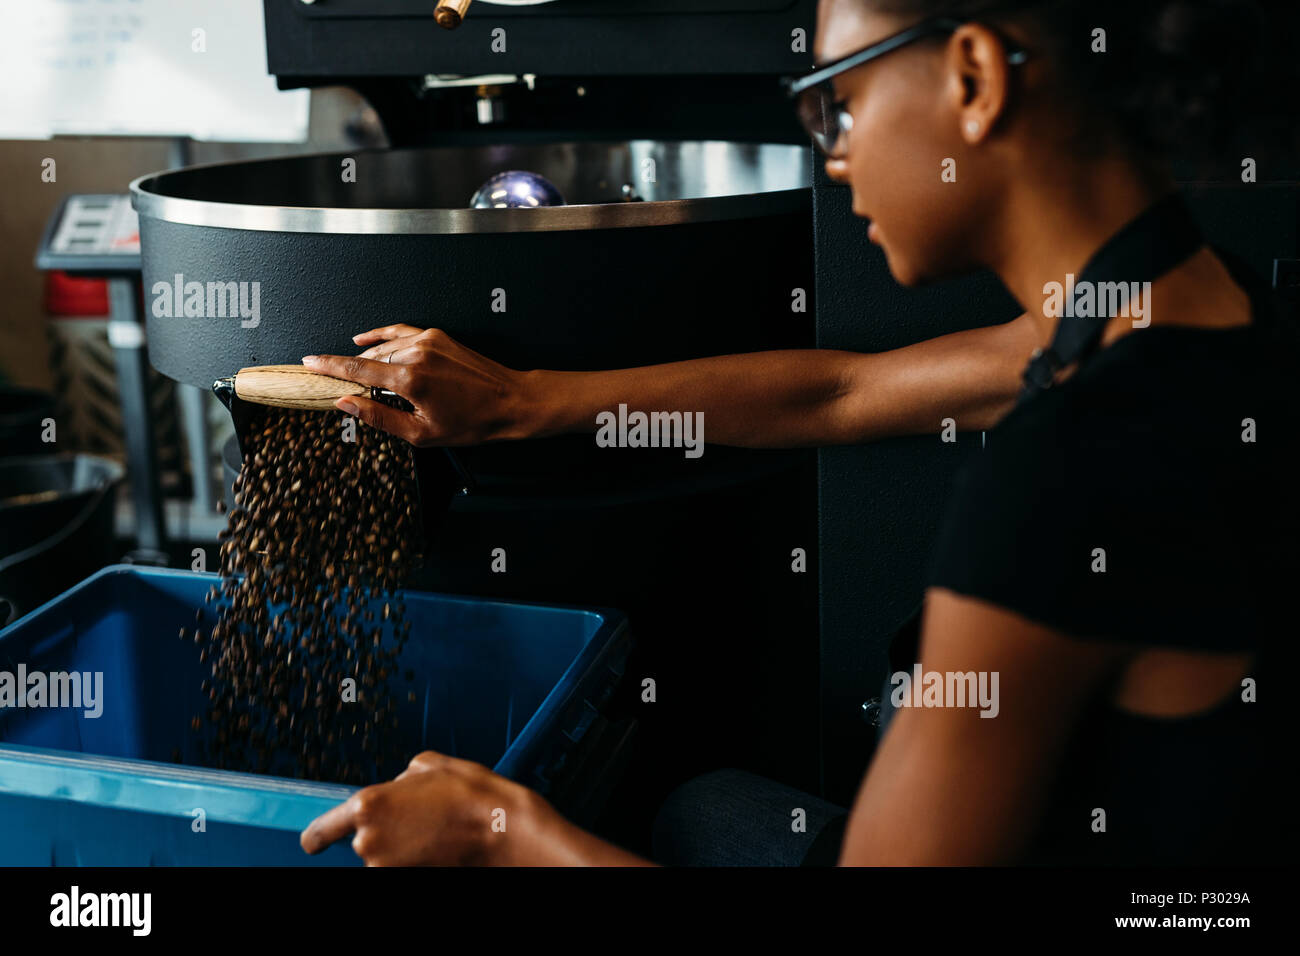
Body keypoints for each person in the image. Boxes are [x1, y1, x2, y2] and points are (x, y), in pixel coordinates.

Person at [300, 0, 1294, 865]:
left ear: (973, 78)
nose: (836, 152)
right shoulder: (1191, 310)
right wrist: (524, 400)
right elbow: (840, 394)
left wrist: (497, 832)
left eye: (838, 102)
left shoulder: (1068, 472)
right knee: (703, 810)